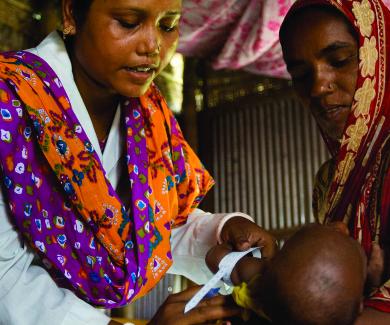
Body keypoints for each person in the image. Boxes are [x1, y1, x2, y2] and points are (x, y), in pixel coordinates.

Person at [0, 1, 278, 324]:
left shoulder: (146, 114)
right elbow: (6, 282)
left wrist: (220, 235)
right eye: (129, 22)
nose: (153, 46)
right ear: (71, 15)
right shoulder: (10, 103)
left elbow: (154, 226)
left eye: (168, 25)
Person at [278, 0, 390, 323]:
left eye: (339, 61)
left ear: (380, 57)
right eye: (300, 75)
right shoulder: (328, 183)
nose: (318, 86)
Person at [206, 224, 367, 325]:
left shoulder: (259, 279)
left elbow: (215, 259)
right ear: (361, 306)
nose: (342, 226)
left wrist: (227, 245)